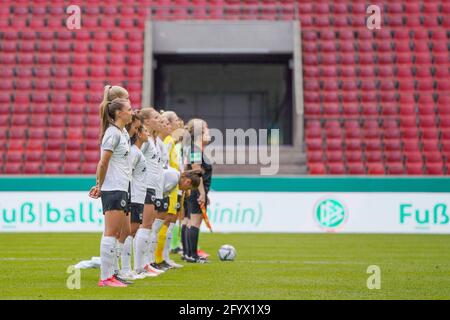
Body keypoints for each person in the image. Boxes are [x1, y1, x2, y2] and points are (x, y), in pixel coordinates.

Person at [89, 95, 133, 287]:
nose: (131, 111)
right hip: (113, 187)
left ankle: (112, 274)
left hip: (122, 187)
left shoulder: (121, 132)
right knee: (111, 232)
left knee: (117, 233)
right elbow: (103, 161)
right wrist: (99, 184)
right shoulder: (112, 134)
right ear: (118, 113)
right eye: (129, 108)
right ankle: (105, 278)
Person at [182, 118, 213, 263]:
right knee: (194, 222)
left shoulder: (193, 148)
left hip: (194, 190)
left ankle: (189, 254)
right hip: (195, 190)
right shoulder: (194, 149)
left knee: (190, 221)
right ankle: (192, 255)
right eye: (206, 128)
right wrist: (201, 193)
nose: (209, 131)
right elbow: (196, 172)